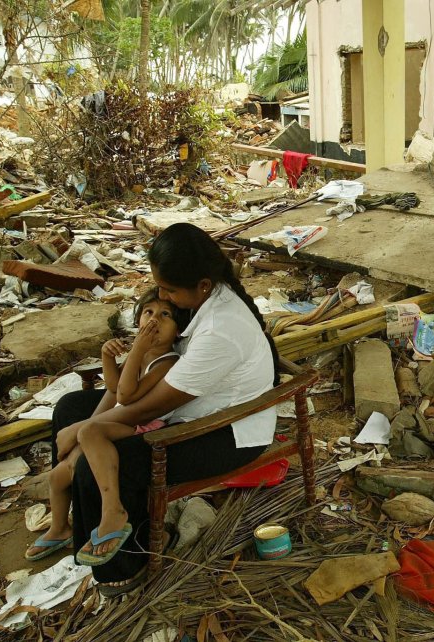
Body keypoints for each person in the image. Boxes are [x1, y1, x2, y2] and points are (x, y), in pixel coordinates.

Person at [48, 223, 279, 596]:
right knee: (71, 407)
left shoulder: (220, 329)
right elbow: (130, 396)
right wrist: (84, 425)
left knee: (103, 460)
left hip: (226, 433)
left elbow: (142, 411)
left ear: (202, 285)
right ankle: (77, 520)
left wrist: (82, 434)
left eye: (168, 290)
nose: (160, 295)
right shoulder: (201, 300)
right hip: (188, 408)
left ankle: (124, 568)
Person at [25, 289, 183, 562]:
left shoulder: (167, 362)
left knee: (89, 432)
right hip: (121, 419)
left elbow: (126, 396)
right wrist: (108, 357)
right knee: (56, 478)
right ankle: (60, 528)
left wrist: (137, 349)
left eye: (165, 315)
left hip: (147, 427)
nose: (154, 320)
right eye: (148, 313)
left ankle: (114, 510)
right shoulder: (143, 357)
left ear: (178, 331)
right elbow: (113, 388)